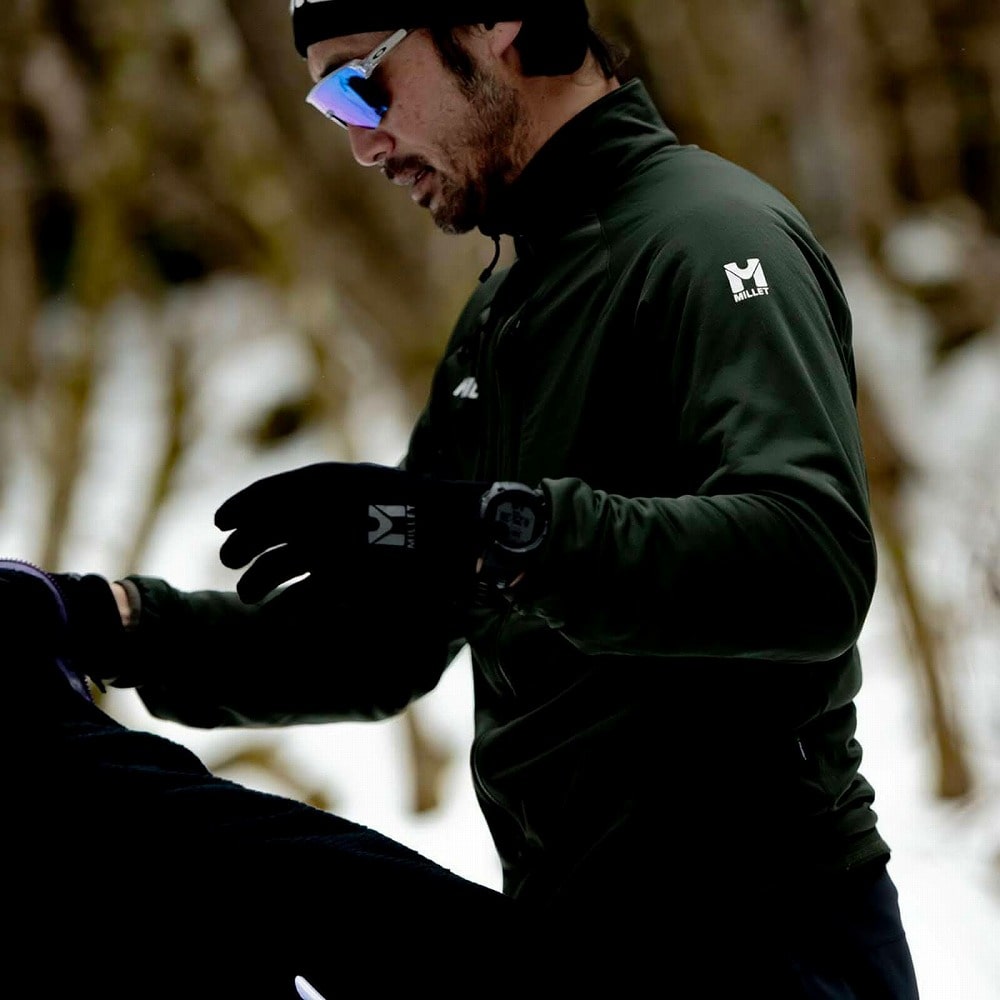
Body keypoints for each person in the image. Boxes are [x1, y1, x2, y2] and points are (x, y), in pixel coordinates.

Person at [10, 1, 922, 996]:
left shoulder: (711, 239)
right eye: (329, 105)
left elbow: (810, 563)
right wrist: (104, 622)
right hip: (575, 930)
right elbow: (381, 643)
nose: (360, 141)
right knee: (144, 824)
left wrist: (494, 530)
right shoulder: (506, 308)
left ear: (496, 23)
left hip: (764, 937)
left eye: (360, 82)